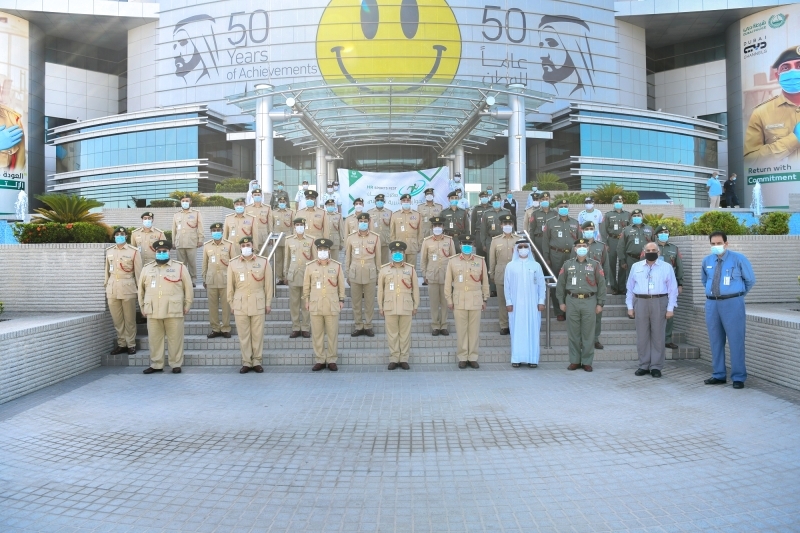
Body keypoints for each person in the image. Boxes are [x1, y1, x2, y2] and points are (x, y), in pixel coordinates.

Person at [702, 231, 756, 389]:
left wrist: (737, 295)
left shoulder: (738, 259)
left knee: (736, 341)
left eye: (719, 243)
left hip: (733, 303)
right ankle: (718, 374)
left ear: (726, 243)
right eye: (713, 244)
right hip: (712, 304)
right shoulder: (707, 261)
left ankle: (738, 377)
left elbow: (750, 280)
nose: (716, 246)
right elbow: (705, 280)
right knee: (715, 341)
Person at [138, 239, 193, 374]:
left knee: (175, 338)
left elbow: (188, 288)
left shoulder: (180, 267)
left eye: (164, 251)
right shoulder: (147, 268)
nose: (161, 253)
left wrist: (187, 304)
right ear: (155, 252)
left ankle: (175, 364)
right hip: (153, 309)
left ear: (169, 252)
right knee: (155, 339)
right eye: (159, 251)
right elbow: (141, 290)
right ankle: (157, 364)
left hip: (173, 309)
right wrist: (142, 307)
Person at [625, 242, 678, 378]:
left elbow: (673, 289)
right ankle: (643, 365)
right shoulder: (635, 266)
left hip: (659, 301)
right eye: (648, 250)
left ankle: (656, 366)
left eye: (654, 250)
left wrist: (670, 308)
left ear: (658, 252)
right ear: (643, 252)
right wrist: (630, 307)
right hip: (640, 301)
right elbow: (630, 288)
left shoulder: (666, 267)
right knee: (642, 336)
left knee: (658, 336)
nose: (651, 252)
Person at [556, 238, 606, 372]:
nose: (582, 248)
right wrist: (561, 302)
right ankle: (575, 361)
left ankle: (587, 361)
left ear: (588, 248)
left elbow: (602, 285)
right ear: (574, 248)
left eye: (584, 245)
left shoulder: (595, 265)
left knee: (588, 333)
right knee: (573, 333)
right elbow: (560, 285)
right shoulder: (567, 264)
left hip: (590, 301)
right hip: (571, 301)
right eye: (579, 246)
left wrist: (600, 303)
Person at [744, 46, 800, 167]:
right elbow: (750, 162)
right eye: (786, 68)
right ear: (777, 75)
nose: (793, 72)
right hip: (782, 183)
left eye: (799, 66)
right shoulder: (761, 112)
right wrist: (794, 139)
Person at [227, 236, 273, 374]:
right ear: (240, 247)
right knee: (244, 335)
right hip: (240, 303)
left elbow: (268, 285)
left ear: (253, 246)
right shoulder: (233, 263)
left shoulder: (263, 262)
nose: (246, 247)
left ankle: (257, 361)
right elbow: (230, 286)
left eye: (248, 244)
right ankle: (247, 361)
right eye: (243, 245)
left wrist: (268, 303)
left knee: (257, 334)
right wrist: (231, 303)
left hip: (258, 301)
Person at [444, 235, 490, 369]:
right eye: (464, 244)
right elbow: (447, 283)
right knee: (461, 330)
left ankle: (473, 356)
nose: (467, 246)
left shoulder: (480, 261)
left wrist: (485, 298)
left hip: (475, 300)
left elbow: (485, 281)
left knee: (474, 331)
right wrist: (449, 299)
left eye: (469, 244)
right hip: (459, 300)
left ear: (473, 245)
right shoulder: (452, 261)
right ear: (460, 245)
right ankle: (463, 356)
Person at [303, 238, 345, 371]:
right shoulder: (310, 267)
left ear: (329, 251)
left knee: (332, 334)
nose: (322, 252)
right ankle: (320, 359)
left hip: (332, 304)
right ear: (317, 251)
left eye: (325, 250)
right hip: (315, 304)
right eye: (320, 250)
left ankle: (332, 359)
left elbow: (341, 285)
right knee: (317, 334)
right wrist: (307, 301)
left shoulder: (336, 266)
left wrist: (341, 300)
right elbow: (306, 286)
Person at [504, 239, 546, 368]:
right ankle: (516, 358)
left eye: (525, 246)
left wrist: (541, 301)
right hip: (516, 305)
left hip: (533, 304)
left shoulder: (536, 265)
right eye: (520, 247)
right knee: (517, 330)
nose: (523, 249)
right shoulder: (510, 265)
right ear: (516, 249)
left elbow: (541, 285)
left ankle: (532, 359)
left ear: (529, 248)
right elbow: (507, 286)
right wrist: (509, 302)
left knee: (532, 329)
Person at [378, 241, 420, 370]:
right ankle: (394, 358)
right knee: (392, 334)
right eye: (395, 252)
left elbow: (416, 289)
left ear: (404, 253)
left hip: (406, 306)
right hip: (390, 306)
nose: (397, 254)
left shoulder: (410, 269)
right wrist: (381, 306)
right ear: (391, 254)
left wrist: (415, 305)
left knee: (405, 334)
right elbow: (380, 290)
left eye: (400, 252)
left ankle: (404, 358)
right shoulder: (384, 270)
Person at [571, 221, 610, 349]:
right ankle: (583, 339)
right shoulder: (577, 246)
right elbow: (572, 264)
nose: (589, 230)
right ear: (582, 230)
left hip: (597, 284)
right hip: (581, 284)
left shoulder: (601, 246)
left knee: (596, 314)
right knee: (582, 317)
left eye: (591, 228)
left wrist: (605, 284)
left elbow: (606, 266)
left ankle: (595, 338)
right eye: (586, 228)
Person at [105, 227, 143, 356]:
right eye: (117, 234)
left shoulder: (134, 251)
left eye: (122, 234)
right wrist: (106, 285)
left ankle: (131, 344)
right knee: (117, 319)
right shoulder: (109, 251)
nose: (119, 236)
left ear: (126, 236)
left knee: (129, 318)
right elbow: (107, 271)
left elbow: (138, 273)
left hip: (128, 287)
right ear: (114, 236)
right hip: (112, 288)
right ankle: (122, 344)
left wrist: (140, 290)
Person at [542, 199, 579, 322]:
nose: (564, 208)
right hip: (555, 255)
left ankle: (570, 309)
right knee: (556, 283)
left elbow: (580, 241)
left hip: (572, 256)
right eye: (561, 206)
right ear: (557, 208)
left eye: (566, 206)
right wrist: (546, 257)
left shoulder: (575, 223)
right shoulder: (550, 223)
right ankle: (559, 311)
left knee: (571, 282)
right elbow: (545, 242)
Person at [344, 213, 381, 337]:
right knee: (356, 302)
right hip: (355, 273)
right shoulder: (351, 238)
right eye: (361, 221)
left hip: (370, 273)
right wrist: (347, 274)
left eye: (365, 221)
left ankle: (368, 325)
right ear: (358, 222)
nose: (363, 223)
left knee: (370, 302)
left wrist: (378, 274)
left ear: (369, 222)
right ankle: (359, 325)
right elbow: (347, 257)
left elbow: (378, 258)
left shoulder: (375, 237)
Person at [421, 216, 456, 336]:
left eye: (439, 226)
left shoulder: (449, 241)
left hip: (446, 275)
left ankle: (444, 325)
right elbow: (423, 260)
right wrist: (424, 273)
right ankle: (435, 325)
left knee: (445, 302)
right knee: (434, 302)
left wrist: (454, 276)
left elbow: (453, 259)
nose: (437, 228)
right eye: (435, 226)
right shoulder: (427, 241)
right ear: (432, 228)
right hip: (432, 275)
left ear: (443, 227)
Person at [653, 225, 684, 349]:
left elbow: (679, 267)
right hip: (654, 284)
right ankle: (655, 339)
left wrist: (680, 284)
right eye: (662, 232)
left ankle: (667, 339)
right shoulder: (651, 247)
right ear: (657, 235)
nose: (664, 234)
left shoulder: (674, 248)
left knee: (669, 312)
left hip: (670, 284)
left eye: (666, 232)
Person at [285, 217, 316, 338]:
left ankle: (305, 327)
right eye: (297, 225)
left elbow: (314, 259)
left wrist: (314, 275)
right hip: (293, 275)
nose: (299, 227)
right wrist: (285, 273)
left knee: (306, 303)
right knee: (294, 303)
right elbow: (286, 259)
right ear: (294, 227)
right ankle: (296, 327)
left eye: (301, 225)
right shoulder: (289, 240)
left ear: (304, 226)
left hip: (306, 275)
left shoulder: (311, 240)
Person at [487, 214, 518, 335]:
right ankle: (504, 325)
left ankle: (514, 323)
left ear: (513, 225)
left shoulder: (518, 239)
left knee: (515, 300)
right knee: (502, 301)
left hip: (516, 275)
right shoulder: (495, 241)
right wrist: (492, 274)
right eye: (505, 224)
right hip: (501, 274)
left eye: (509, 224)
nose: (507, 226)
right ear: (501, 225)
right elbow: (492, 259)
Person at [202, 223, 233, 339]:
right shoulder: (207, 246)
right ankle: (215, 328)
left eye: (218, 230)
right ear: (211, 232)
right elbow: (204, 264)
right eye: (214, 230)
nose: (216, 232)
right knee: (213, 306)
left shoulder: (229, 245)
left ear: (222, 231)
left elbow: (233, 263)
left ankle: (225, 328)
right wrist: (204, 278)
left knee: (226, 306)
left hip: (226, 280)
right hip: (211, 280)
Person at [171, 194, 204, 285]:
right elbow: (174, 230)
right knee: (181, 263)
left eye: (187, 201)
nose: (185, 203)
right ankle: (182, 280)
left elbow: (200, 227)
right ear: (180, 202)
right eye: (183, 201)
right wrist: (173, 242)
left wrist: (200, 239)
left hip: (191, 242)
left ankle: (193, 280)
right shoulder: (176, 215)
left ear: (190, 202)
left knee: (192, 263)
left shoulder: (196, 213)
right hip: (180, 242)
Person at [617, 208, 653, 290]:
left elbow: (655, 244)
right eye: (634, 216)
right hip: (631, 259)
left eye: (638, 215)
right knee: (631, 280)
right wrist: (622, 260)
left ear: (642, 216)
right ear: (632, 218)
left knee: (646, 278)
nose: (637, 217)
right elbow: (620, 246)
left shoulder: (650, 229)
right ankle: (630, 301)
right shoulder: (626, 230)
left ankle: (644, 299)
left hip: (647, 259)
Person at [601, 195, 630, 295]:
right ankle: (613, 286)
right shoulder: (608, 215)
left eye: (620, 201)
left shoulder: (628, 215)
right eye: (617, 201)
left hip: (624, 242)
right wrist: (605, 244)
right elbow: (603, 230)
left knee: (623, 264)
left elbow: (631, 229)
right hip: (612, 241)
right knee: (611, 264)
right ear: (613, 203)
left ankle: (622, 287)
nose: (619, 202)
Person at [525, 191, 557, 269]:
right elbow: (531, 230)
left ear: (550, 199)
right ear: (539, 201)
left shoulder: (555, 213)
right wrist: (532, 244)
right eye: (543, 199)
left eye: (547, 199)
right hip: (539, 240)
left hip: (551, 240)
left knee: (550, 260)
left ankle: (550, 279)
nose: (545, 201)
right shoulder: (535, 213)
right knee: (539, 261)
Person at [390, 193, 422, 266]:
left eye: (408, 200)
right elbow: (392, 232)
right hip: (399, 247)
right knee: (399, 268)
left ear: (411, 202)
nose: (406, 202)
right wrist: (393, 246)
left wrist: (419, 245)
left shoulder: (417, 215)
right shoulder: (395, 215)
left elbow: (420, 232)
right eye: (404, 200)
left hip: (412, 247)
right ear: (401, 202)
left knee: (412, 269)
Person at [270, 195, 295, 285]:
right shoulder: (273, 213)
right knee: (278, 259)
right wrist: (271, 238)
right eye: (280, 202)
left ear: (286, 203)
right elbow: (271, 226)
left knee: (287, 259)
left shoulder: (291, 212)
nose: (282, 204)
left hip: (287, 238)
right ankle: (279, 277)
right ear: (278, 203)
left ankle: (286, 277)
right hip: (276, 239)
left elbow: (293, 226)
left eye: (283, 202)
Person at [368, 193, 392, 264]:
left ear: (384, 201)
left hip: (385, 240)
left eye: (381, 200)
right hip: (373, 241)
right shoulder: (369, 212)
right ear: (375, 201)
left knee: (384, 261)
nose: (379, 201)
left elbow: (392, 227)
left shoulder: (389, 212)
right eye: (378, 200)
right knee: (373, 261)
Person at [470, 191, 490, 257]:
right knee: (480, 254)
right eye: (482, 197)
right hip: (479, 233)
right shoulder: (476, 209)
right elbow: (473, 224)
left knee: (490, 254)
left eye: (486, 196)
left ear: (488, 197)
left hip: (489, 234)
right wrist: (473, 238)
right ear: (480, 198)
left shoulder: (491, 208)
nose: (484, 198)